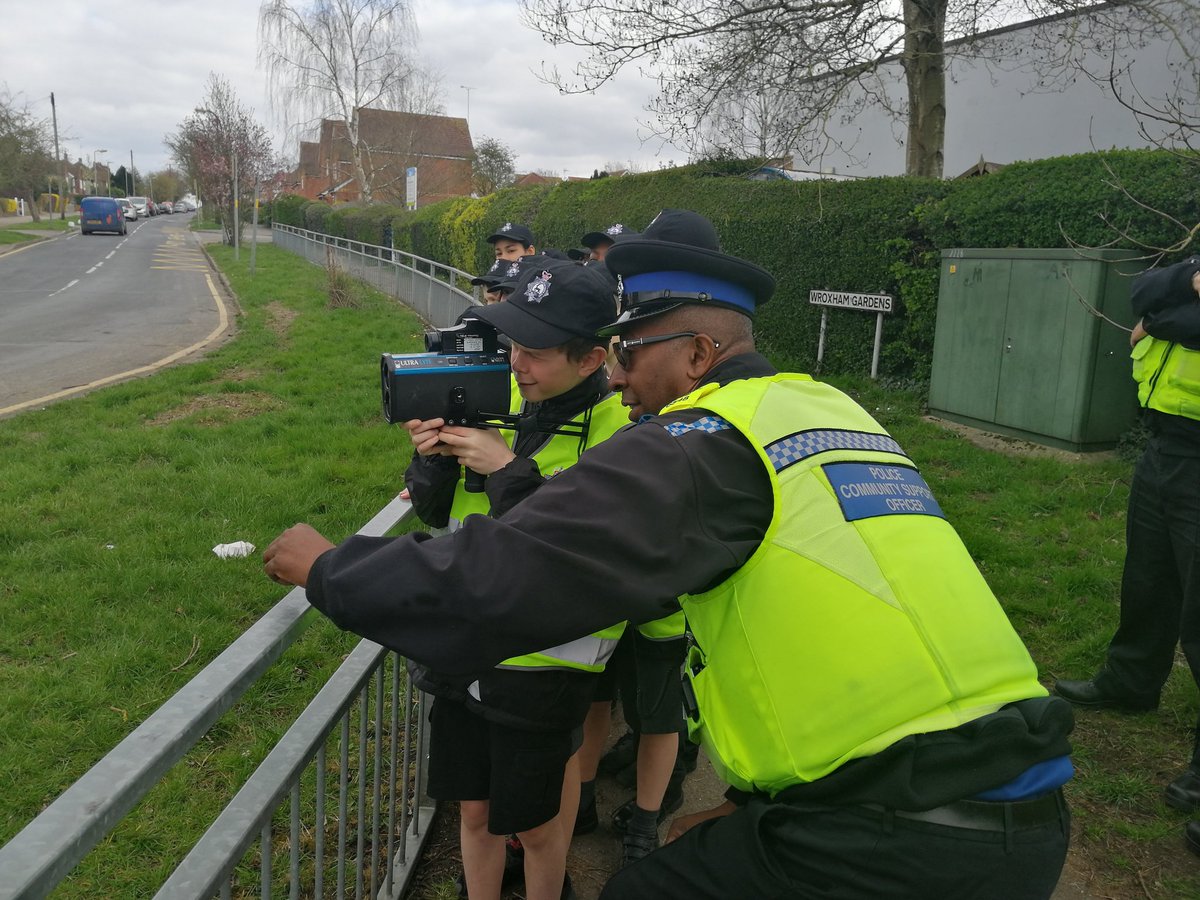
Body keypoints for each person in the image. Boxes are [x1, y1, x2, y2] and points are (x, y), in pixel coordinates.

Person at [264, 209, 1075, 899]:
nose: (617, 379)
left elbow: (509, 571)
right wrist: (759, 805)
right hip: (1011, 794)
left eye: (629, 352)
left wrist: (332, 569)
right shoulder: (823, 407)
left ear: (695, 356)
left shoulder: (697, 441)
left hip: (896, 833)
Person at [403, 259, 632, 900]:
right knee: (472, 813)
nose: (516, 364)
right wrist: (434, 461)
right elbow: (436, 512)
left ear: (591, 360)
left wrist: (507, 469)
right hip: (465, 645)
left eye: (534, 352)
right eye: (511, 346)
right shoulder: (497, 398)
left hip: (544, 668)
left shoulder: (624, 432)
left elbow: (577, 547)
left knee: (537, 828)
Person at [1054, 256, 1200, 850]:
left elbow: (1163, 316)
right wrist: (1182, 288)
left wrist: (1165, 320)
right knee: (1148, 581)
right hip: (1165, 447)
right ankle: (1131, 681)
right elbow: (1142, 290)